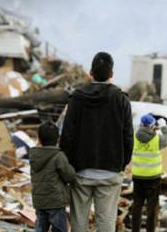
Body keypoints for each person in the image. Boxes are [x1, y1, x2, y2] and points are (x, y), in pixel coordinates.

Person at [59, 52, 134, 232]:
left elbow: (67, 136)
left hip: (81, 171)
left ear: (91, 72)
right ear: (111, 75)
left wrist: (69, 165)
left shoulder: (77, 99)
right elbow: (128, 137)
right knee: (106, 222)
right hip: (110, 172)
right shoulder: (121, 99)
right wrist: (121, 164)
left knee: (79, 222)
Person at [29, 122, 76, 232]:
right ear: (58, 139)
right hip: (55, 202)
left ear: (39, 139)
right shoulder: (58, 156)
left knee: (40, 228)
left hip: (39, 201)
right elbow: (69, 176)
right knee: (59, 229)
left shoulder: (34, 156)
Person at [131, 114, 167, 232]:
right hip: (153, 178)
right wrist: (164, 127)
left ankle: (135, 230)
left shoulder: (134, 137)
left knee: (137, 206)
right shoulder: (157, 139)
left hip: (138, 176)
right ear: (151, 126)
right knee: (152, 208)